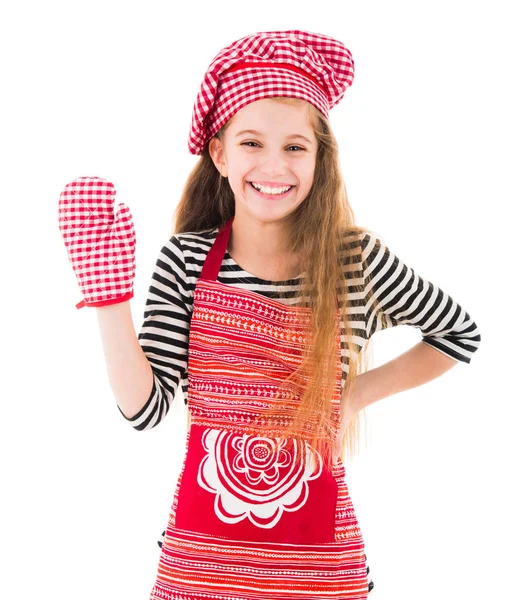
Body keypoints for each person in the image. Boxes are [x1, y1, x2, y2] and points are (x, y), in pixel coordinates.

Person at [58, 29, 481, 600]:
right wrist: (109, 299)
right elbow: (145, 411)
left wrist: (352, 393)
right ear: (220, 153)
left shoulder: (355, 261)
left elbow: (458, 333)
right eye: (252, 142)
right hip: (200, 566)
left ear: (318, 158)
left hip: (320, 570)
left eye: (295, 147)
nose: (273, 165)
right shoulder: (186, 260)